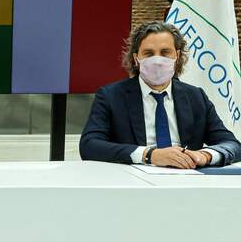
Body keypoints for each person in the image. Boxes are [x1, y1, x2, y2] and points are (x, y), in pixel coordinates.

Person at [80, 21, 239, 168]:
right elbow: (89, 145)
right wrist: (149, 155)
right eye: (149, 53)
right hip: (134, 181)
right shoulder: (110, 96)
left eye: (165, 52)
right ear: (136, 58)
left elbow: (232, 144)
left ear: (176, 56)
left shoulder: (196, 97)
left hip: (188, 180)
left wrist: (205, 156)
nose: (157, 60)